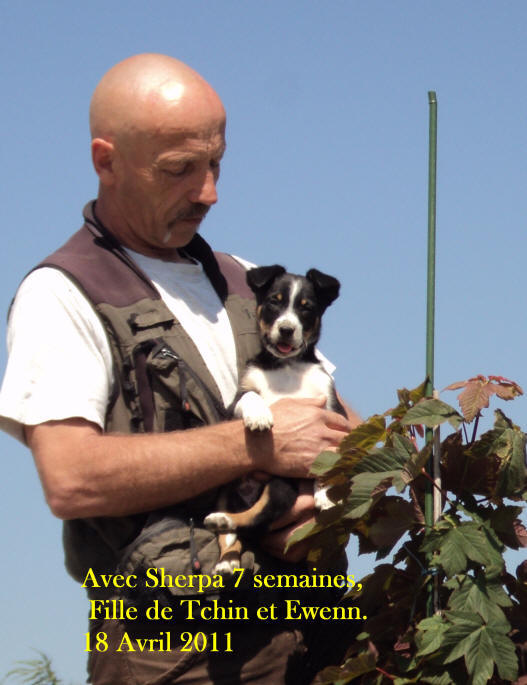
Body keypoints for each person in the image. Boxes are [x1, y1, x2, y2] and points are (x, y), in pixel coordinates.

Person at [0, 54, 360, 685]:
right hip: (170, 647)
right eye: (180, 170)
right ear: (105, 160)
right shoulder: (65, 293)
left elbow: (340, 426)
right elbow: (71, 480)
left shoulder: (247, 280)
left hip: (309, 626)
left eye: (216, 162)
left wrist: (332, 493)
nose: (209, 192)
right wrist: (259, 446)